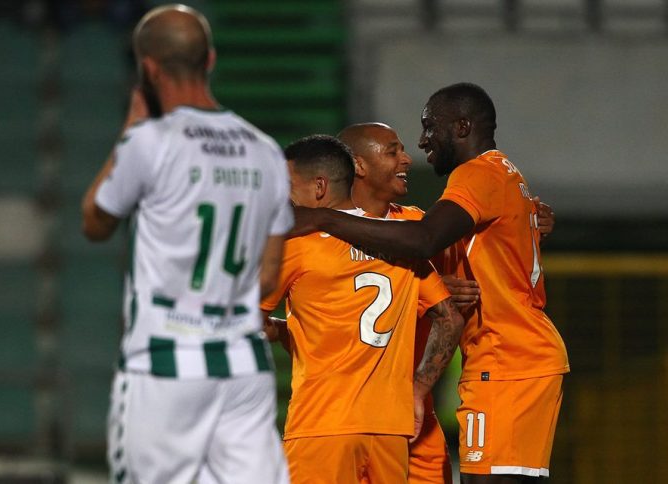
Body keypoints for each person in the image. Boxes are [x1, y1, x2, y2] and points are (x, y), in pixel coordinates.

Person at [292, 83, 570, 483]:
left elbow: (423, 241)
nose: (419, 145)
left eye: (428, 128)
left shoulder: (462, 186)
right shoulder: (497, 177)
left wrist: (323, 218)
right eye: (394, 150)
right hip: (488, 366)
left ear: (461, 127)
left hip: (504, 361)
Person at [81, 5, 291, 483]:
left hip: (165, 361)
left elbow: (95, 222)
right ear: (210, 60)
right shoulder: (265, 151)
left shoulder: (151, 141)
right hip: (242, 363)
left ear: (149, 68)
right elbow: (268, 277)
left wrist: (130, 130)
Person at [261, 134, 466, 483]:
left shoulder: (298, 244)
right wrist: (418, 390)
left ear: (319, 187)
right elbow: (450, 317)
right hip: (391, 430)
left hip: (323, 424)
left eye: (288, 186)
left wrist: (283, 329)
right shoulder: (399, 242)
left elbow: (246, 320)